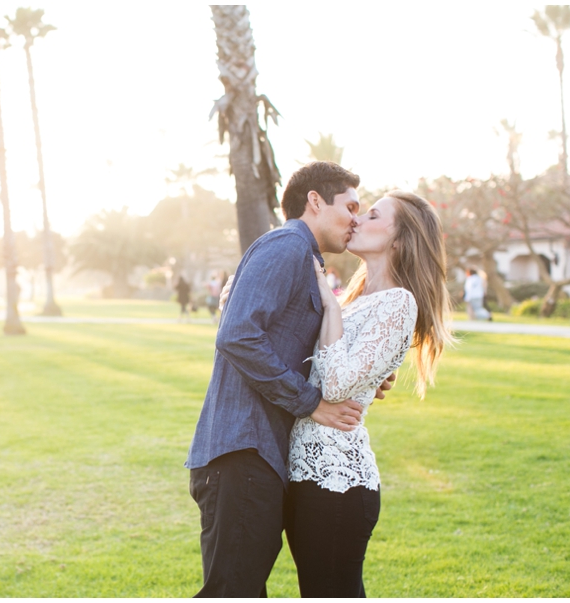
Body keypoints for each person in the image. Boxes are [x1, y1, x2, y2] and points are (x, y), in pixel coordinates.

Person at [186, 162, 385, 597]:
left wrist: (364, 376)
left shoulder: (302, 259)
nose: (356, 218)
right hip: (242, 452)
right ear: (315, 201)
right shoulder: (288, 246)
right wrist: (311, 402)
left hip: (260, 456)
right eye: (350, 206)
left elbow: (288, 345)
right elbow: (237, 335)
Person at [283, 191, 455, 597]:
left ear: (399, 239)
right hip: (306, 475)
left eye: (374, 214)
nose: (358, 219)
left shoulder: (398, 303)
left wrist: (330, 305)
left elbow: (338, 384)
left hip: (338, 482)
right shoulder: (355, 300)